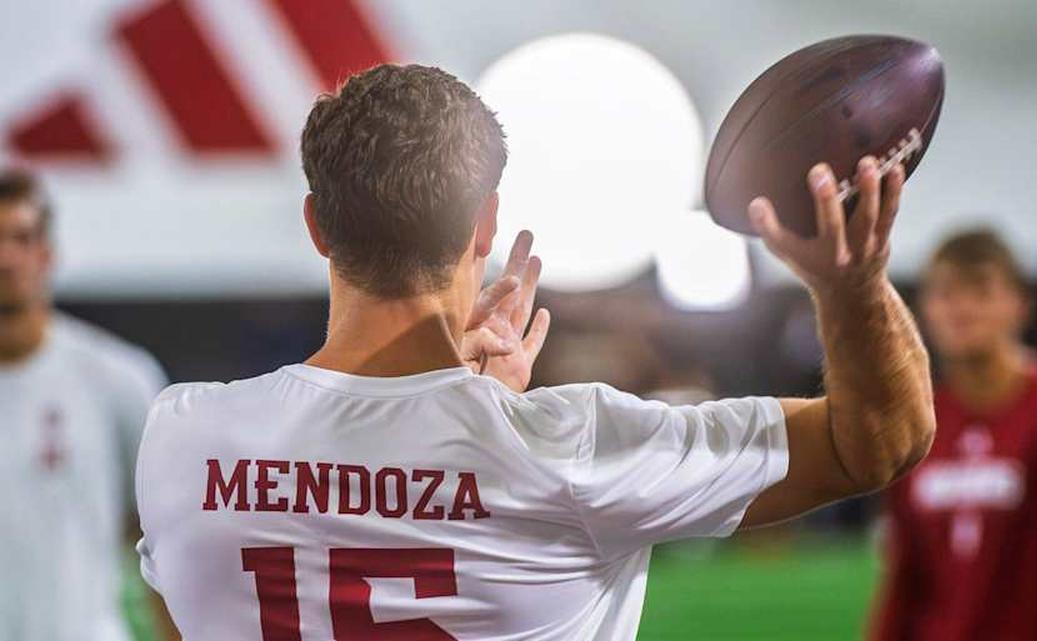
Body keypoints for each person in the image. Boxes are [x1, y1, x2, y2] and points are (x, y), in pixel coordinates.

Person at [135, 63, 934, 640]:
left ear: (316, 224)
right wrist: (851, 284)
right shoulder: (568, 447)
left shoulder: (183, 433)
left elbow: (180, 608)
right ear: (483, 227)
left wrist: (453, 410)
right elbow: (877, 441)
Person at [871, 229, 1037, 641]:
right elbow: (905, 574)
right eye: (947, 293)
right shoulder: (918, 423)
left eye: (981, 290)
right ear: (924, 310)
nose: (962, 308)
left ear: (1020, 304)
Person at [0, 170, 176, 641]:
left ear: (47, 254)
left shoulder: (117, 379)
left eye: (20, 238)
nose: (6, 258)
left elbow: (167, 542)